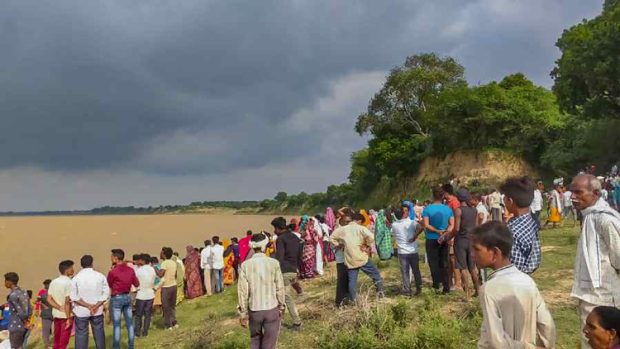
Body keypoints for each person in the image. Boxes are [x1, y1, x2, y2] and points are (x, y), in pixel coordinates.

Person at [472, 221, 556, 348]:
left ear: (495, 253)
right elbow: (547, 324)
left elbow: (496, 341)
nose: (472, 254)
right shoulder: (527, 281)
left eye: (477, 250)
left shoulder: (489, 289)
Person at [569, 175, 620, 348]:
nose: (573, 197)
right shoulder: (589, 216)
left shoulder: (604, 219)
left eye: (578, 192)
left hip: (604, 296)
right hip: (589, 295)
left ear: (596, 193)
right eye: (571, 192)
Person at [237, 233, 286, 349]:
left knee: (255, 339)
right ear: (264, 246)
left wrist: (243, 313)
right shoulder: (274, 263)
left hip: (254, 309)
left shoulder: (245, 265)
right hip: (271, 307)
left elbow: (242, 291)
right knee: (269, 343)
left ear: (252, 247)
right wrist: (281, 306)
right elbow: (280, 287)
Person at [330, 211, 385, 302]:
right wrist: (366, 245)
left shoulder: (342, 229)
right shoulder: (360, 228)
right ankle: (381, 294)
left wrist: (339, 245)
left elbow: (331, 238)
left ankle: (354, 300)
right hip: (361, 256)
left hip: (350, 258)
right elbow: (371, 237)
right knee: (375, 274)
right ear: (358, 221)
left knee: (352, 281)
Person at [500, 176, 542, 274]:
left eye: (505, 198)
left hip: (515, 278)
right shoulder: (531, 222)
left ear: (510, 201)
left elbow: (515, 266)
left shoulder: (511, 230)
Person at [445, 188, 480, 297]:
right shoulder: (474, 210)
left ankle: (467, 293)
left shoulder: (458, 210)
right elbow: (477, 227)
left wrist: (448, 236)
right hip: (472, 240)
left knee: (462, 267)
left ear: (459, 198)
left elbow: (456, 229)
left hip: (461, 241)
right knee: (472, 268)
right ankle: (478, 290)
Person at [70, 255, 108, 349]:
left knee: (81, 335)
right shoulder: (100, 276)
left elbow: (74, 297)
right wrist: (95, 305)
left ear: (81, 265)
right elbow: (106, 293)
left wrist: (88, 306)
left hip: (81, 311)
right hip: (97, 310)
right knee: (99, 333)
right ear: (92, 263)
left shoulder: (76, 278)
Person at [271, 217, 303, 330]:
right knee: (283, 296)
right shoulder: (295, 237)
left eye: (274, 229)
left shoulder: (280, 239)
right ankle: (279, 320)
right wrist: (297, 269)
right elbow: (300, 256)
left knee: (285, 296)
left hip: (284, 270)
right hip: (294, 269)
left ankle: (297, 322)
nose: (274, 231)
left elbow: (279, 257)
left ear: (278, 228)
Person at [423, 187, 455, 294]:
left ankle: (436, 284)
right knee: (444, 263)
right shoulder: (448, 209)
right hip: (444, 239)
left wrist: (437, 231)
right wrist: (445, 233)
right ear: (442, 196)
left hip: (431, 238)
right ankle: (446, 286)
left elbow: (426, 225)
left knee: (433, 263)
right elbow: (452, 225)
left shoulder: (427, 209)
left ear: (432, 196)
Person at [107, 249, 139, 349]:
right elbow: (137, 284)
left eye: (112, 257)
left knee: (117, 325)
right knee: (129, 323)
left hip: (116, 297)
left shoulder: (113, 271)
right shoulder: (130, 270)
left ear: (116, 258)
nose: (111, 258)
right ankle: (131, 346)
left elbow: (109, 284)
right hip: (127, 296)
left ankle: (116, 347)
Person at [391, 207, 422, 297]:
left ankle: (407, 291)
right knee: (416, 271)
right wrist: (414, 237)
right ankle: (419, 288)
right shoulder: (411, 222)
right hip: (413, 250)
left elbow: (392, 232)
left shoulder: (394, 225)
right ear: (404, 214)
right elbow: (421, 228)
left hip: (402, 252)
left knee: (405, 272)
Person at [48, 260, 75, 349]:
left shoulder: (53, 282)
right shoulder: (69, 283)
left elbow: (49, 299)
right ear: (66, 270)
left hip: (56, 315)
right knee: (63, 341)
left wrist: (58, 307)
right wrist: (68, 318)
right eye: (71, 268)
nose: (73, 270)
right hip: (66, 316)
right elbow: (67, 302)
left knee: (57, 339)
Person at [4, 272, 31, 349]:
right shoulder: (24, 293)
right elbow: (30, 308)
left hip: (15, 325)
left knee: (15, 347)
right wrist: (27, 321)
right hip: (25, 325)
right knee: (20, 346)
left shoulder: (12, 295)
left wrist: (25, 321)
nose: (5, 283)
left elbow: (19, 311)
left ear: (9, 282)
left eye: (5, 281)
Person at [155, 247, 178, 330]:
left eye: (161, 253)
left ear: (164, 254)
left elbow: (160, 274)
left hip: (166, 287)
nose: (160, 254)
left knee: (166, 306)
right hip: (173, 285)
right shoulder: (173, 262)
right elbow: (175, 275)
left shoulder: (164, 263)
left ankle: (168, 325)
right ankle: (174, 322)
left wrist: (155, 268)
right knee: (172, 306)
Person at [135, 254, 156, 338]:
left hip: (141, 294)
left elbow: (135, 282)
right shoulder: (152, 269)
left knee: (138, 315)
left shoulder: (139, 270)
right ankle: (145, 332)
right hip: (150, 294)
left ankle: (137, 332)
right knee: (147, 314)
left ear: (143, 261)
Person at [37, 279, 53, 349]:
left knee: (46, 330)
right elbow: (37, 301)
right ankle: (48, 345)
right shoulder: (42, 292)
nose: (46, 286)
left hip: (49, 313)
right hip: (49, 313)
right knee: (46, 330)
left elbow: (37, 301)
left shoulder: (44, 293)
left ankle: (48, 345)